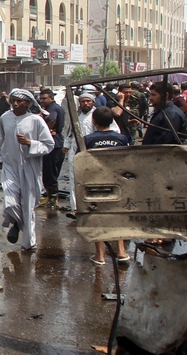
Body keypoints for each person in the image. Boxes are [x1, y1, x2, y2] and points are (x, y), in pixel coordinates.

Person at [0, 89, 54, 252]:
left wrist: (30, 143)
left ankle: (29, 243)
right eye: (13, 100)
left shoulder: (36, 121)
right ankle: (16, 223)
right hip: (10, 165)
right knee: (10, 202)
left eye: (19, 101)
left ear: (27, 103)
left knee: (28, 205)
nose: (15, 103)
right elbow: (0, 140)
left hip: (30, 166)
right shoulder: (5, 118)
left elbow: (49, 145)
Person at [84, 106, 130, 265]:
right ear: (112, 121)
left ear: (93, 121)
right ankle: (121, 251)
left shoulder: (88, 140)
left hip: (96, 184)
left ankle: (100, 255)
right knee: (118, 215)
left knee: (97, 216)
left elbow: (82, 162)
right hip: (118, 182)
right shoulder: (122, 138)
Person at [62, 95, 119, 219]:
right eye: (83, 101)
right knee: (74, 180)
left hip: (93, 152)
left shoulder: (99, 115)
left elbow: (113, 131)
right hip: (75, 151)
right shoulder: (75, 115)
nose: (86, 104)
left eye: (88, 101)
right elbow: (70, 131)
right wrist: (66, 144)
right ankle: (76, 209)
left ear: (93, 102)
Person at [38, 89, 65, 208]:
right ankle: (50, 196)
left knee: (50, 171)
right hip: (56, 142)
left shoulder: (52, 108)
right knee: (51, 171)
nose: (42, 100)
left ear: (51, 98)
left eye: (44, 98)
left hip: (53, 143)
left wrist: (45, 131)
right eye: (41, 98)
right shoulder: (54, 107)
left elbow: (52, 119)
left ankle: (52, 199)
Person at [142, 81, 187, 145]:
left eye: (154, 95)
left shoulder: (171, 114)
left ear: (166, 95)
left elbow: (165, 141)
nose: (150, 98)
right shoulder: (163, 111)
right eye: (150, 95)